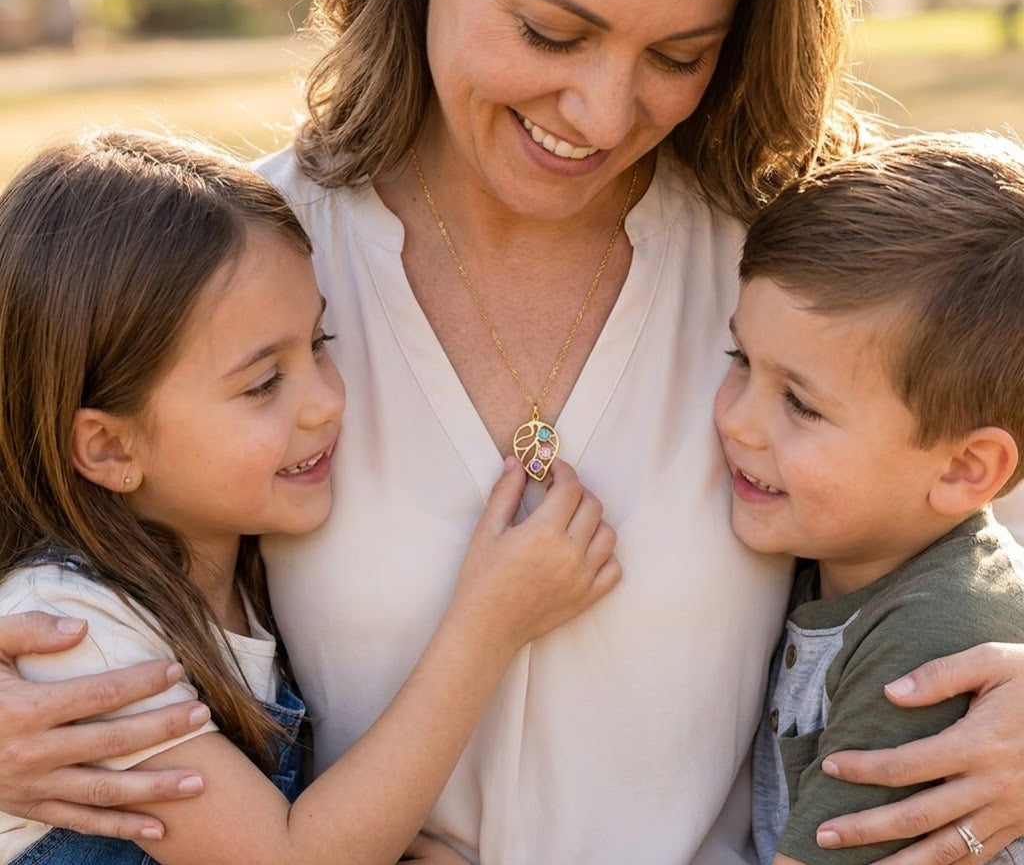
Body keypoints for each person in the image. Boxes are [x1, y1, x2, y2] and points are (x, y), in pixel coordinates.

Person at [3, 0, 1024, 864]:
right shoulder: (231, 279)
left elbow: (964, 501)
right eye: (551, 32)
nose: (602, 113)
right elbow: (54, 518)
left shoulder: (798, 288)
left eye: (678, 56)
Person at [0, 130, 619, 865]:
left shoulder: (236, 583)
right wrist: (489, 624)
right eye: (264, 383)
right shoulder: (72, 632)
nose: (327, 401)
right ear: (110, 448)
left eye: (319, 343)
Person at [713, 132, 1024, 864]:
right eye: (741, 359)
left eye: (801, 404)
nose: (737, 421)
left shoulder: (931, 648)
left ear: (964, 468)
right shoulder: (845, 552)